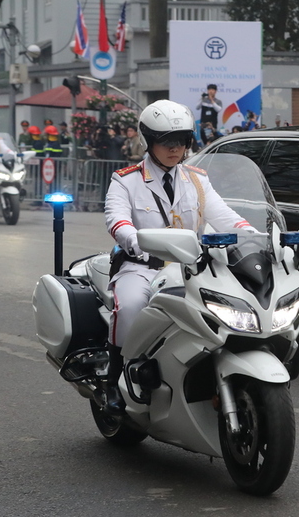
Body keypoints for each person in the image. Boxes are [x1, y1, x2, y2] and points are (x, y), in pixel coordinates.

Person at [103, 100, 253, 415]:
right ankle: (114, 379)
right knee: (130, 306)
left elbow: (223, 215)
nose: (176, 149)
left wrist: (252, 235)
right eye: (167, 141)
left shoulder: (197, 179)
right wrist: (135, 239)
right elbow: (116, 220)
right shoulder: (126, 179)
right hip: (143, 266)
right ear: (148, 140)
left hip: (191, 268)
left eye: (182, 141)